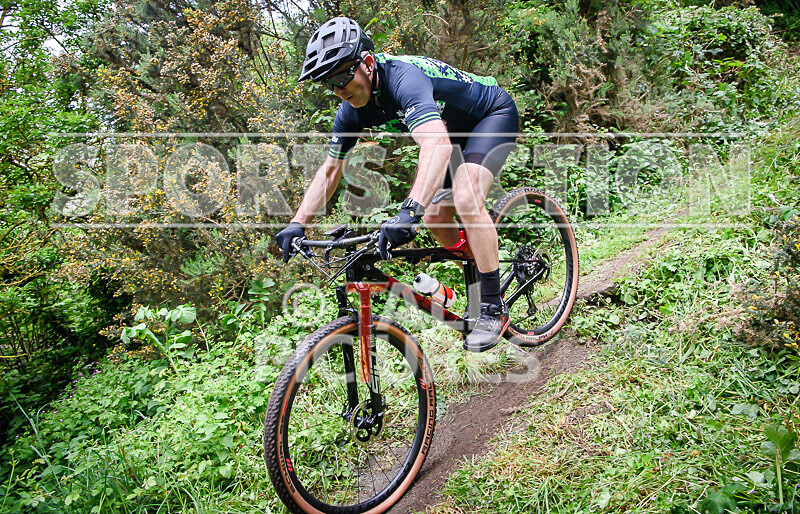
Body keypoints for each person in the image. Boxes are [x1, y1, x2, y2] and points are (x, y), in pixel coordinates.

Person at [275, 16, 520, 352]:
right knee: (436, 219)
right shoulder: (351, 110)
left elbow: (436, 145)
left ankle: (493, 307)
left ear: (368, 63)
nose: (338, 89)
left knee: (465, 197)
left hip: (490, 114)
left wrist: (409, 210)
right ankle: (481, 257)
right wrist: (297, 223)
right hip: (450, 132)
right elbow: (331, 171)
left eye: (341, 75)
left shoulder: (404, 78)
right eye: (327, 83)